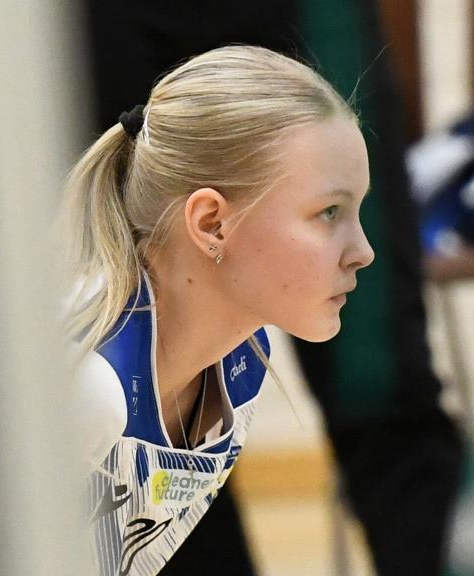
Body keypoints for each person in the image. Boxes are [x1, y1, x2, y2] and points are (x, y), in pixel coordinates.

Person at [61, 45, 374, 576]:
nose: (363, 252)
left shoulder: (240, 363)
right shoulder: (90, 387)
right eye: (328, 212)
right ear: (211, 223)